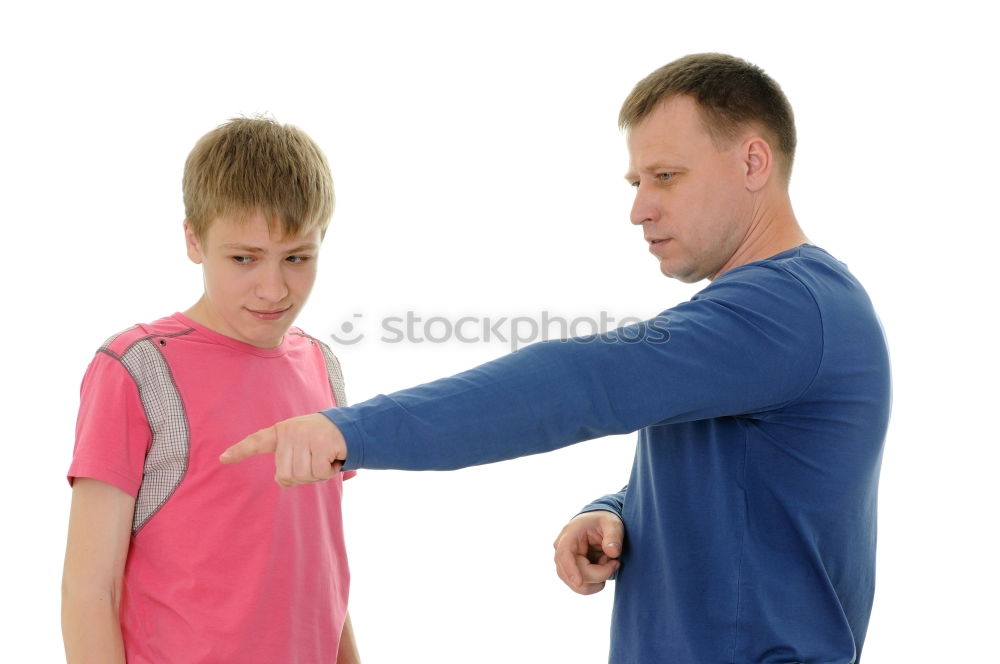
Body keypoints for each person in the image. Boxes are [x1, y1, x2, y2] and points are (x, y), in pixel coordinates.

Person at [224, 53, 891, 663]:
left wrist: (350, 429)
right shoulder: (777, 313)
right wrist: (619, 512)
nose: (639, 208)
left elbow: (582, 383)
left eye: (666, 176)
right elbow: (753, 489)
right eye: (636, 180)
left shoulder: (789, 310)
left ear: (753, 163)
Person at [61, 118, 361, 663]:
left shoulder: (322, 364)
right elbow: (89, 591)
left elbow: (318, 565)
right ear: (194, 240)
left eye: (297, 257)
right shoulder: (136, 368)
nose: (273, 289)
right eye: (243, 258)